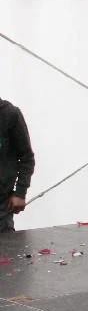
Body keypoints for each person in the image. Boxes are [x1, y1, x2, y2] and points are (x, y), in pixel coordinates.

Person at [0, 97, 35, 233]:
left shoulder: (10, 114)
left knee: (6, 245)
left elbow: (27, 157)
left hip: (2, 207)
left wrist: (20, 192)